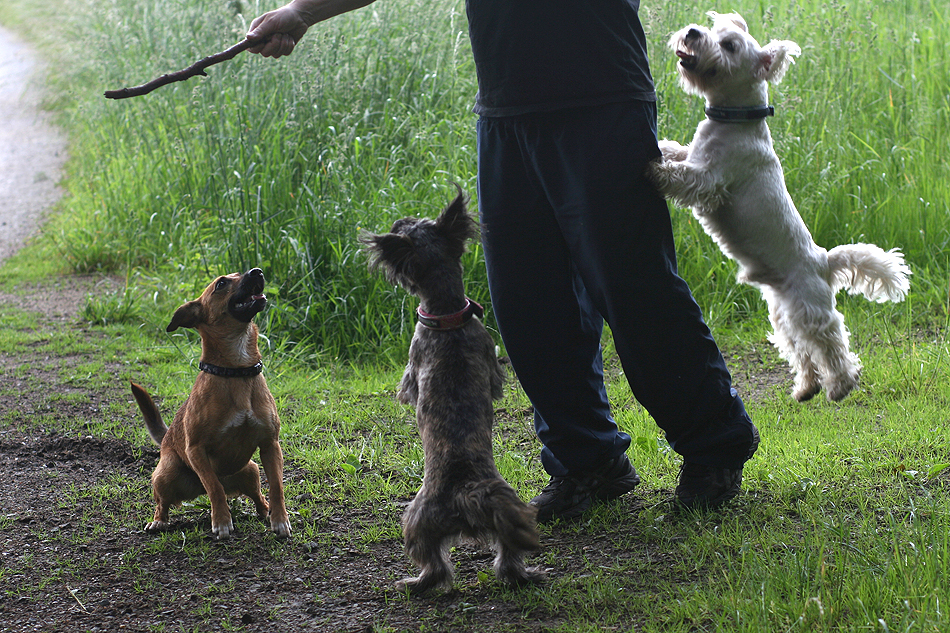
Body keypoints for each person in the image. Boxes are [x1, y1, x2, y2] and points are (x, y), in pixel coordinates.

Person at [246, 0, 759, 523]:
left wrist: (301, 14)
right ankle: (586, 459)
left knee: (634, 287)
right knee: (527, 299)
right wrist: (301, 13)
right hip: (507, 108)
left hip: (600, 98)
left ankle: (715, 446)